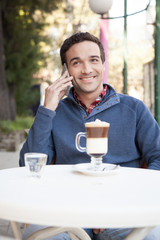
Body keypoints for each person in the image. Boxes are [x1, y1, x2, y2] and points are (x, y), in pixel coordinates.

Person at [20, 32, 160, 240]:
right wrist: (47, 109)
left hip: (125, 209)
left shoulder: (134, 109)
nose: (87, 69)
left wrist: (126, 201)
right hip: (67, 211)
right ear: (66, 71)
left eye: (93, 60)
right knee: (41, 236)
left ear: (103, 64)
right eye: (76, 63)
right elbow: (30, 166)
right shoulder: (54, 113)